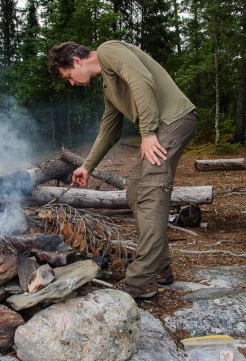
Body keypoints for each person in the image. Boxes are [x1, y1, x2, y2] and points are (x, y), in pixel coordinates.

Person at [47, 40, 196, 299]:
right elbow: (109, 129)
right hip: (162, 126)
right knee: (135, 192)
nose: (71, 83)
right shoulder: (108, 84)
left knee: (150, 194)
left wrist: (147, 132)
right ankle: (158, 267)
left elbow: (142, 80)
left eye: (69, 76)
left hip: (172, 122)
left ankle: (140, 281)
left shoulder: (108, 50)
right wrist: (87, 166)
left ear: (76, 61)